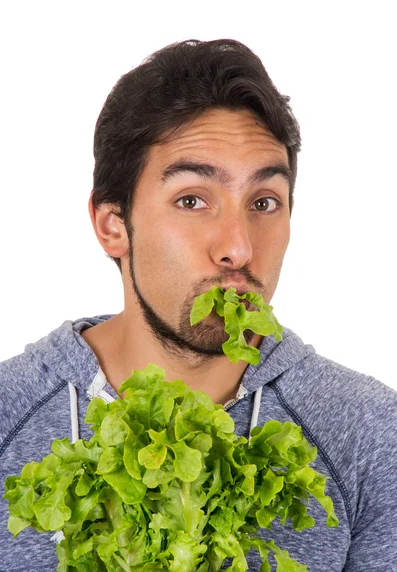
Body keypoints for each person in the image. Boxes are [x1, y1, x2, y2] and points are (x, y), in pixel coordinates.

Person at [0, 39, 396, 571]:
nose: (238, 246)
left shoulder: (371, 435)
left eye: (264, 203)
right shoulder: (10, 414)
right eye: (192, 200)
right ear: (112, 225)